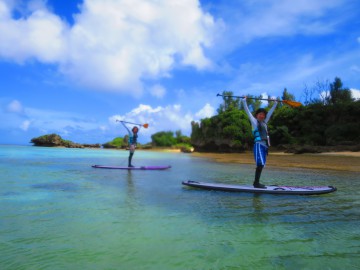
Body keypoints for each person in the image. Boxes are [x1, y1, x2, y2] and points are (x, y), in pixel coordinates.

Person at [242, 97, 278, 188]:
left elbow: (270, 113)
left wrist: (275, 104)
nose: (262, 116)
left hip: (264, 147)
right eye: (260, 114)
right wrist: (244, 101)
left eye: (263, 115)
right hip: (258, 145)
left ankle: (256, 182)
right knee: (260, 164)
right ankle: (256, 183)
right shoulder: (254, 122)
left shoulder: (265, 122)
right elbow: (248, 112)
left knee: (262, 165)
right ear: (257, 115)